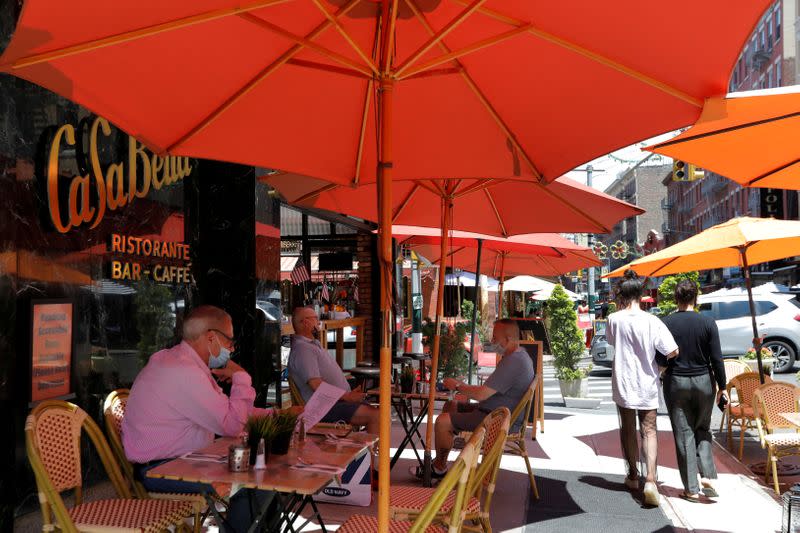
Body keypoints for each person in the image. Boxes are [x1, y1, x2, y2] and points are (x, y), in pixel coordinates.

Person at [123, 305, 280, 533]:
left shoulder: (183, 363)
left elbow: (226, 412)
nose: (231, 349)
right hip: (161, 469)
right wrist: (241, 377)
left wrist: (276, 416)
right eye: (230, 341)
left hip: (183, 461)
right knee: (251, 483)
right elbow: (232, 425)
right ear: (211, 337)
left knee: (264, 473)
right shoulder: (182, 370)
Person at [415, 319, 534, 479]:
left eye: (495, 337)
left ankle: (439, 468)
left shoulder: (514, 361)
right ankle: (443, 457)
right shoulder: (519, 356)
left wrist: (457, 386)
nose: (492, 341)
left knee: (442, 421)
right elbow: (487, 392)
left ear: (509, 339)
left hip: (497, 420)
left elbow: (481, 395)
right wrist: (461, 385)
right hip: (495, 412)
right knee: (451, 405)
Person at [607, 270, 678, 507]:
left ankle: (632, 475)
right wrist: (660, 370)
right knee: (649, 430)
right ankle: (651, 480)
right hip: (647, 381)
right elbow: (673, 351)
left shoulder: (614, 319)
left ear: (622, 294)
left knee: (627, 427)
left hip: (623, 380)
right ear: (642, 293)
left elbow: (610, 342)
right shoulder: (652, 320)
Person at [661, 279, 727, 501]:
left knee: (684, 433)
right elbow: (717, 359)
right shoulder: (708, 323)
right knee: (703, 428)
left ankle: (691, 488)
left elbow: (661, 357)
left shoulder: (666, 323)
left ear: (676, 298)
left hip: (677, 381)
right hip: (704, 382)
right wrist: (723, 387)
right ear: (696, 298)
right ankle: (707, 475)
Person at [287, 306, 379, 434]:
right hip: (322, 408)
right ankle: (372, 454)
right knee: (376, 416)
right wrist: (347, 396)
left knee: (380, 413)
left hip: (334, 403)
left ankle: (367, 452)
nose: (318, 322)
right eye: (315, 318)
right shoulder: (303, 350)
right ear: (305, 322)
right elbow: (315, 384)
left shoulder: (310, 345)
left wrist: (348, 394)